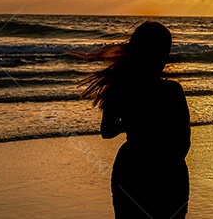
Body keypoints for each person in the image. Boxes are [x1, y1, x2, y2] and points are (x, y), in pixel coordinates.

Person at [79, 21, 190, 219]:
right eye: (163, 51)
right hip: (166, 172)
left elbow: (108, 130)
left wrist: (132, 123)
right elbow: (183, 142)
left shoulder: (122, 87)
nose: (165, 57)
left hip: (134, 168)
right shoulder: (172, 91)